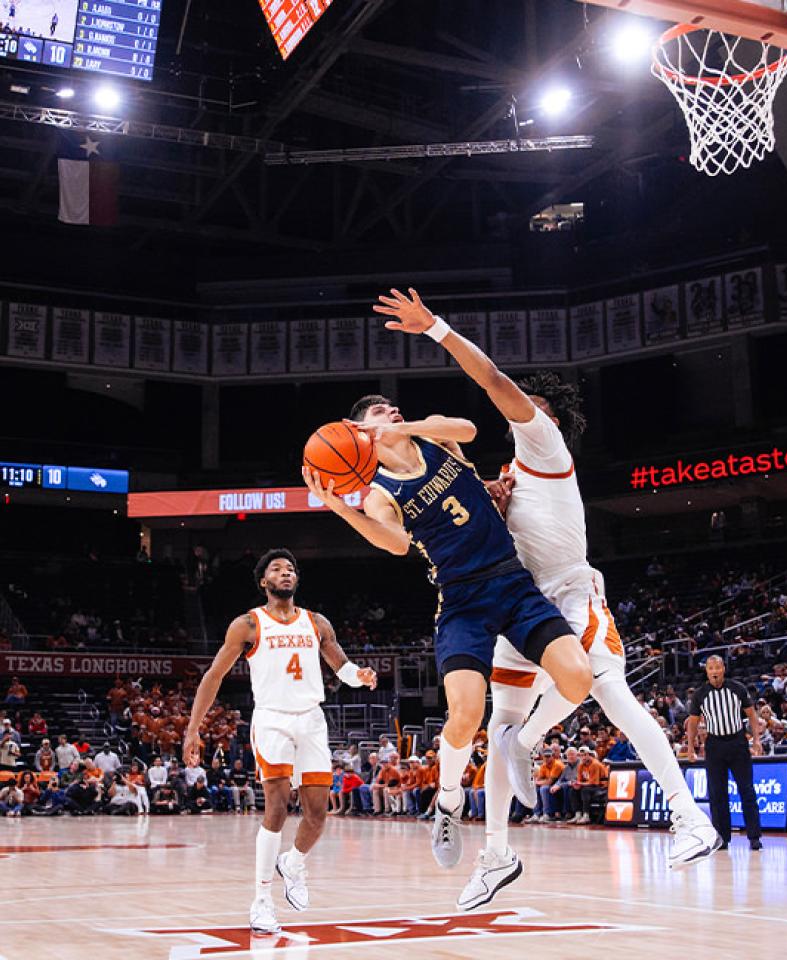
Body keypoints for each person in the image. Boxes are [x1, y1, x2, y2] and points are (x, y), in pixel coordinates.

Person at [367, 291, 718, 909]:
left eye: (533, 409)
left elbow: (496, 384)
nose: (522, 413)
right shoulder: (502, 479)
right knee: (496, 723)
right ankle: (496, 855)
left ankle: (690, 819)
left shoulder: (548, 452)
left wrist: (438, 330)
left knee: (609, 693)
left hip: (572, 596)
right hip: (512, 599)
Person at [303, 373, 592, 874]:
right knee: (464, 715)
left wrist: (404, 428)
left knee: (578, 679)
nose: (392, 412)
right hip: (461, 601)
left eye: (393, 408)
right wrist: (335, 504)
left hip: (512, 581)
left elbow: (469, 429)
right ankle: (449, 802)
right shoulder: (378, 493)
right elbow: (394, 544)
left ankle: (519, 743)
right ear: (356, 430)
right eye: (380, 413)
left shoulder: (433, 437)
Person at [183, 548, 376, 935]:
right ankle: (261, 900)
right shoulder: (248, 625)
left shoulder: (315, 622)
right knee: (276, 804)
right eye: (276, 569)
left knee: (318, 814)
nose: (285, 573)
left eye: (290, 569)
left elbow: (341, 664)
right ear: (263, 582)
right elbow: (213, 676)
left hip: (312, 721)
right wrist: (193, 728)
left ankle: (294, 862)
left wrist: (362, 676)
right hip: (272, 718)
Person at [686, 656, 763, 851]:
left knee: (747, 791)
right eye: (710, 668)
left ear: (723, 669)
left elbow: (752, 715)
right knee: (717, 794)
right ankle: (722, 837)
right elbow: (693, 722)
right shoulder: (700, 694)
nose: (714, 671)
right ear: (707, 671)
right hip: (714, 745)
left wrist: (757, 740)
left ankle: (754, 837)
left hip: (737, 742)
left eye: (717, 667)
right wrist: (690, 747)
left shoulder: (737, 688)